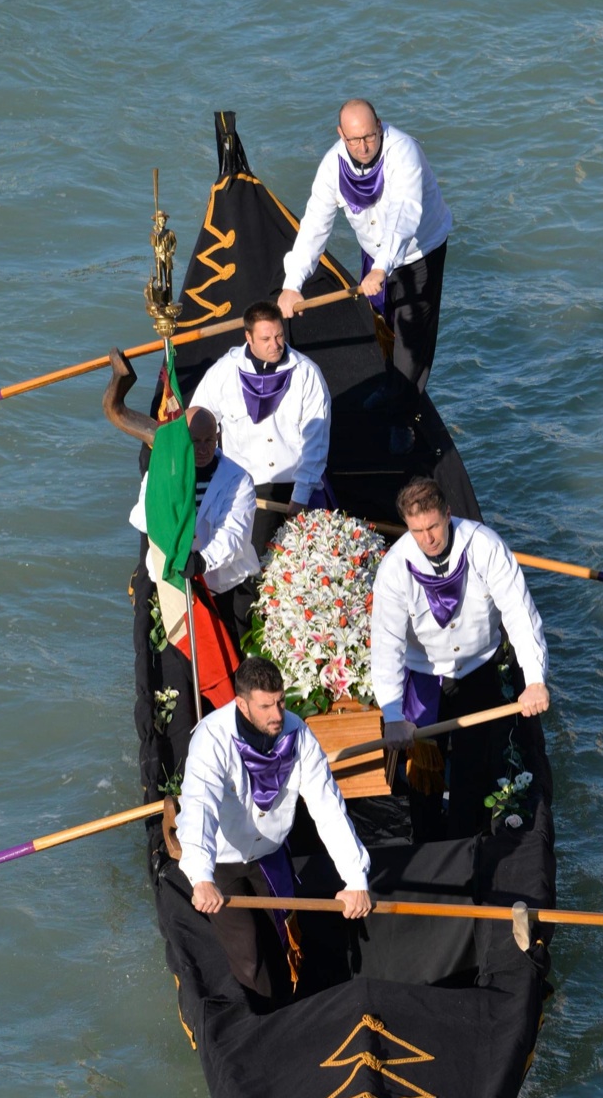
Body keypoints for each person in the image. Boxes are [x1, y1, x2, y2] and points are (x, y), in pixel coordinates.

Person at [174, 657, 372, 1003]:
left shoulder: (298, 734)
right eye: (266, 706)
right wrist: (200, 875)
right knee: (250, 956)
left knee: (286, 938)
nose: (277, 714)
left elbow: (328, 808)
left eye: (280, 702)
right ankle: (268, 1025)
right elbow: (199, 807)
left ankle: (297, 1006)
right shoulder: (211, 738)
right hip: (222, 860)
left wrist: (355, 878)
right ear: (242, 704)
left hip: (270, 853)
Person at [371, 477, 551, 840]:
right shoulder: (393, 570)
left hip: (477, 669)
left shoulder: (485, 546)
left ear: (448, 515)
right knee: (424, 771)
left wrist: (534, 679)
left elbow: (519, 613)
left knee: (475, 765)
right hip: (423, 676)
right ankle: (425, 842)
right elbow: (386, 645)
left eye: (434, 526)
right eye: (417, 530)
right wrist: (392, 716)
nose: (428, 539)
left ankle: (467, 841)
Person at [277, 99, 452, 392]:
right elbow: (314, 226)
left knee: (411, 342)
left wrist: (382, 267)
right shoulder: (333, 166)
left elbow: (403, 214)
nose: (363, 147)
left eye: (370, 136)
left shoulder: (404, 152)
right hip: (374, 255)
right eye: (354, 139)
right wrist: (292, 284)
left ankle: (403, 420)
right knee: (382, 327)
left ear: (379, 126)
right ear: (340, 134)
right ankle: (390, 388)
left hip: (418, 252)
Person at [103, 350, 259, 645]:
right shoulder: (163, 474)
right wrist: (168, 493)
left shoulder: (238, 480)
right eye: (194, 442)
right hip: (173, 583)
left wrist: (200, 562)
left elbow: (235, 537)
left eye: (208, 441)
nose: (202, 449)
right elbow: (141, 518)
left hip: (225, 584)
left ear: (217, 439)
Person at [188, 299, 332, 558]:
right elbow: (196, 422)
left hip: (296, 485)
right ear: (248, 337)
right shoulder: (223, 373)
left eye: (279, 335)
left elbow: (316, 441)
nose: (275, 345)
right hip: (243, 490)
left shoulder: (307, 373)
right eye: (266, 339)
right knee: (249, 570)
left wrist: (300, 496)